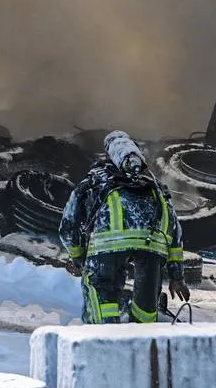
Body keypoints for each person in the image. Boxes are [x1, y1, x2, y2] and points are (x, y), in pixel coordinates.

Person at [59, 130, 189, 324]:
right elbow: (174, 229)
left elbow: (69, 224)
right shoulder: (153, 184)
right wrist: (176, 276)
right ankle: (141, 343)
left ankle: (105, 337)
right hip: (153, 246)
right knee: (146, 312)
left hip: (107, 246)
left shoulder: (96, 179)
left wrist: (78, 256)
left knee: (101, 291)